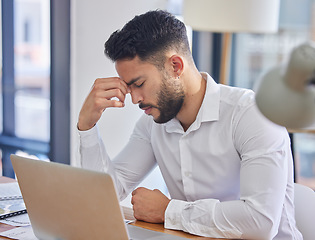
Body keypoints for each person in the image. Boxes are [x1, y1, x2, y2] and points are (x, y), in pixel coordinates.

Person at [77, 10, 302, 240]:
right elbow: (105, 195)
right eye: (129, 87)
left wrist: (168, 211)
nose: (134, 99)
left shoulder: (252, 114)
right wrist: (87, 126)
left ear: (175, 66)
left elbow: (260, 222)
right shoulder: (152, 124)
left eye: (139, 84)